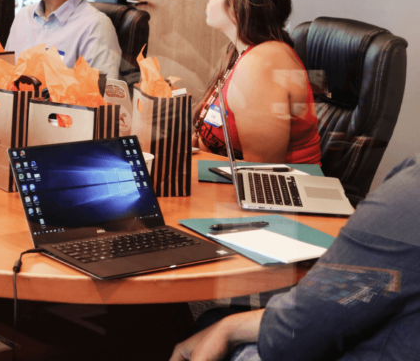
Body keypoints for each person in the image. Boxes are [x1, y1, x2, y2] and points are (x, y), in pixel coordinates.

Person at [170, 153, 420, 361]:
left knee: (210, 324)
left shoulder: (411, 195)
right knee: (215, 320)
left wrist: (228, 329)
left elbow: (299, 333)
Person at [194, 0, 322, 165]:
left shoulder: (262, 64)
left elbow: (262, 173)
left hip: (279, 191)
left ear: (237, 5)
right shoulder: (242, 53)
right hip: (234, 179)